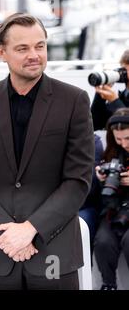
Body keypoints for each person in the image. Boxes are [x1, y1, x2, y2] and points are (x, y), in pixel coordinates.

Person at [0, 13, 94, 290]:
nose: (34, 55)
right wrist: (8, 235)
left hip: (54, 250)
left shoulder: (74, 100)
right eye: (22, 48)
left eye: (40, 46)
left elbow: (78, 181)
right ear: (1, 52)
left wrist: (30, 229)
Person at [94, 108, 129, 290]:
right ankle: (109, 285)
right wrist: (100, 177)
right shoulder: (112, 154)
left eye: (128, 138)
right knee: (103, 241)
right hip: (114, 210)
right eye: (119, 139)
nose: (124, 144)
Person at [91, 49, 129, 130]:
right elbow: (94, 124)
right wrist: (100, 95)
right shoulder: (123, 96)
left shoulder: (117, 100)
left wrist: (115, 101)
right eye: (123, 69)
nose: (123, 73)